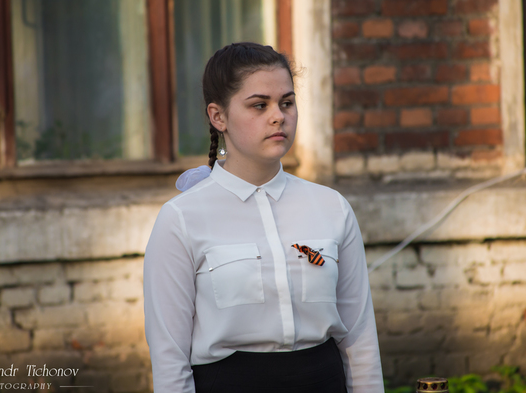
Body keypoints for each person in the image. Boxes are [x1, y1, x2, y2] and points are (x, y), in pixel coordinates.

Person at [143, 42, 385, 393]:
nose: (278, 116)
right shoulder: (181, 218)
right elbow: (169, 358)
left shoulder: (331, 207)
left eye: (287, 103)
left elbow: (359, 337)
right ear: (218, 116)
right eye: (259, 105)